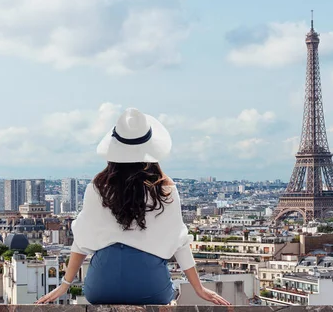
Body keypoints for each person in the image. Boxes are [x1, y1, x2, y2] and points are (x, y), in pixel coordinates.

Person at [36, 108, 230, 306]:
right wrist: (198, 288)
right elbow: (179, 242)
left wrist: (65, 284)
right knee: (170, 293)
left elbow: (82, 241)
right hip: (149, 287)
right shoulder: (165, 190)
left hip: (101, 287)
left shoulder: (97, 188)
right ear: (152, 149)